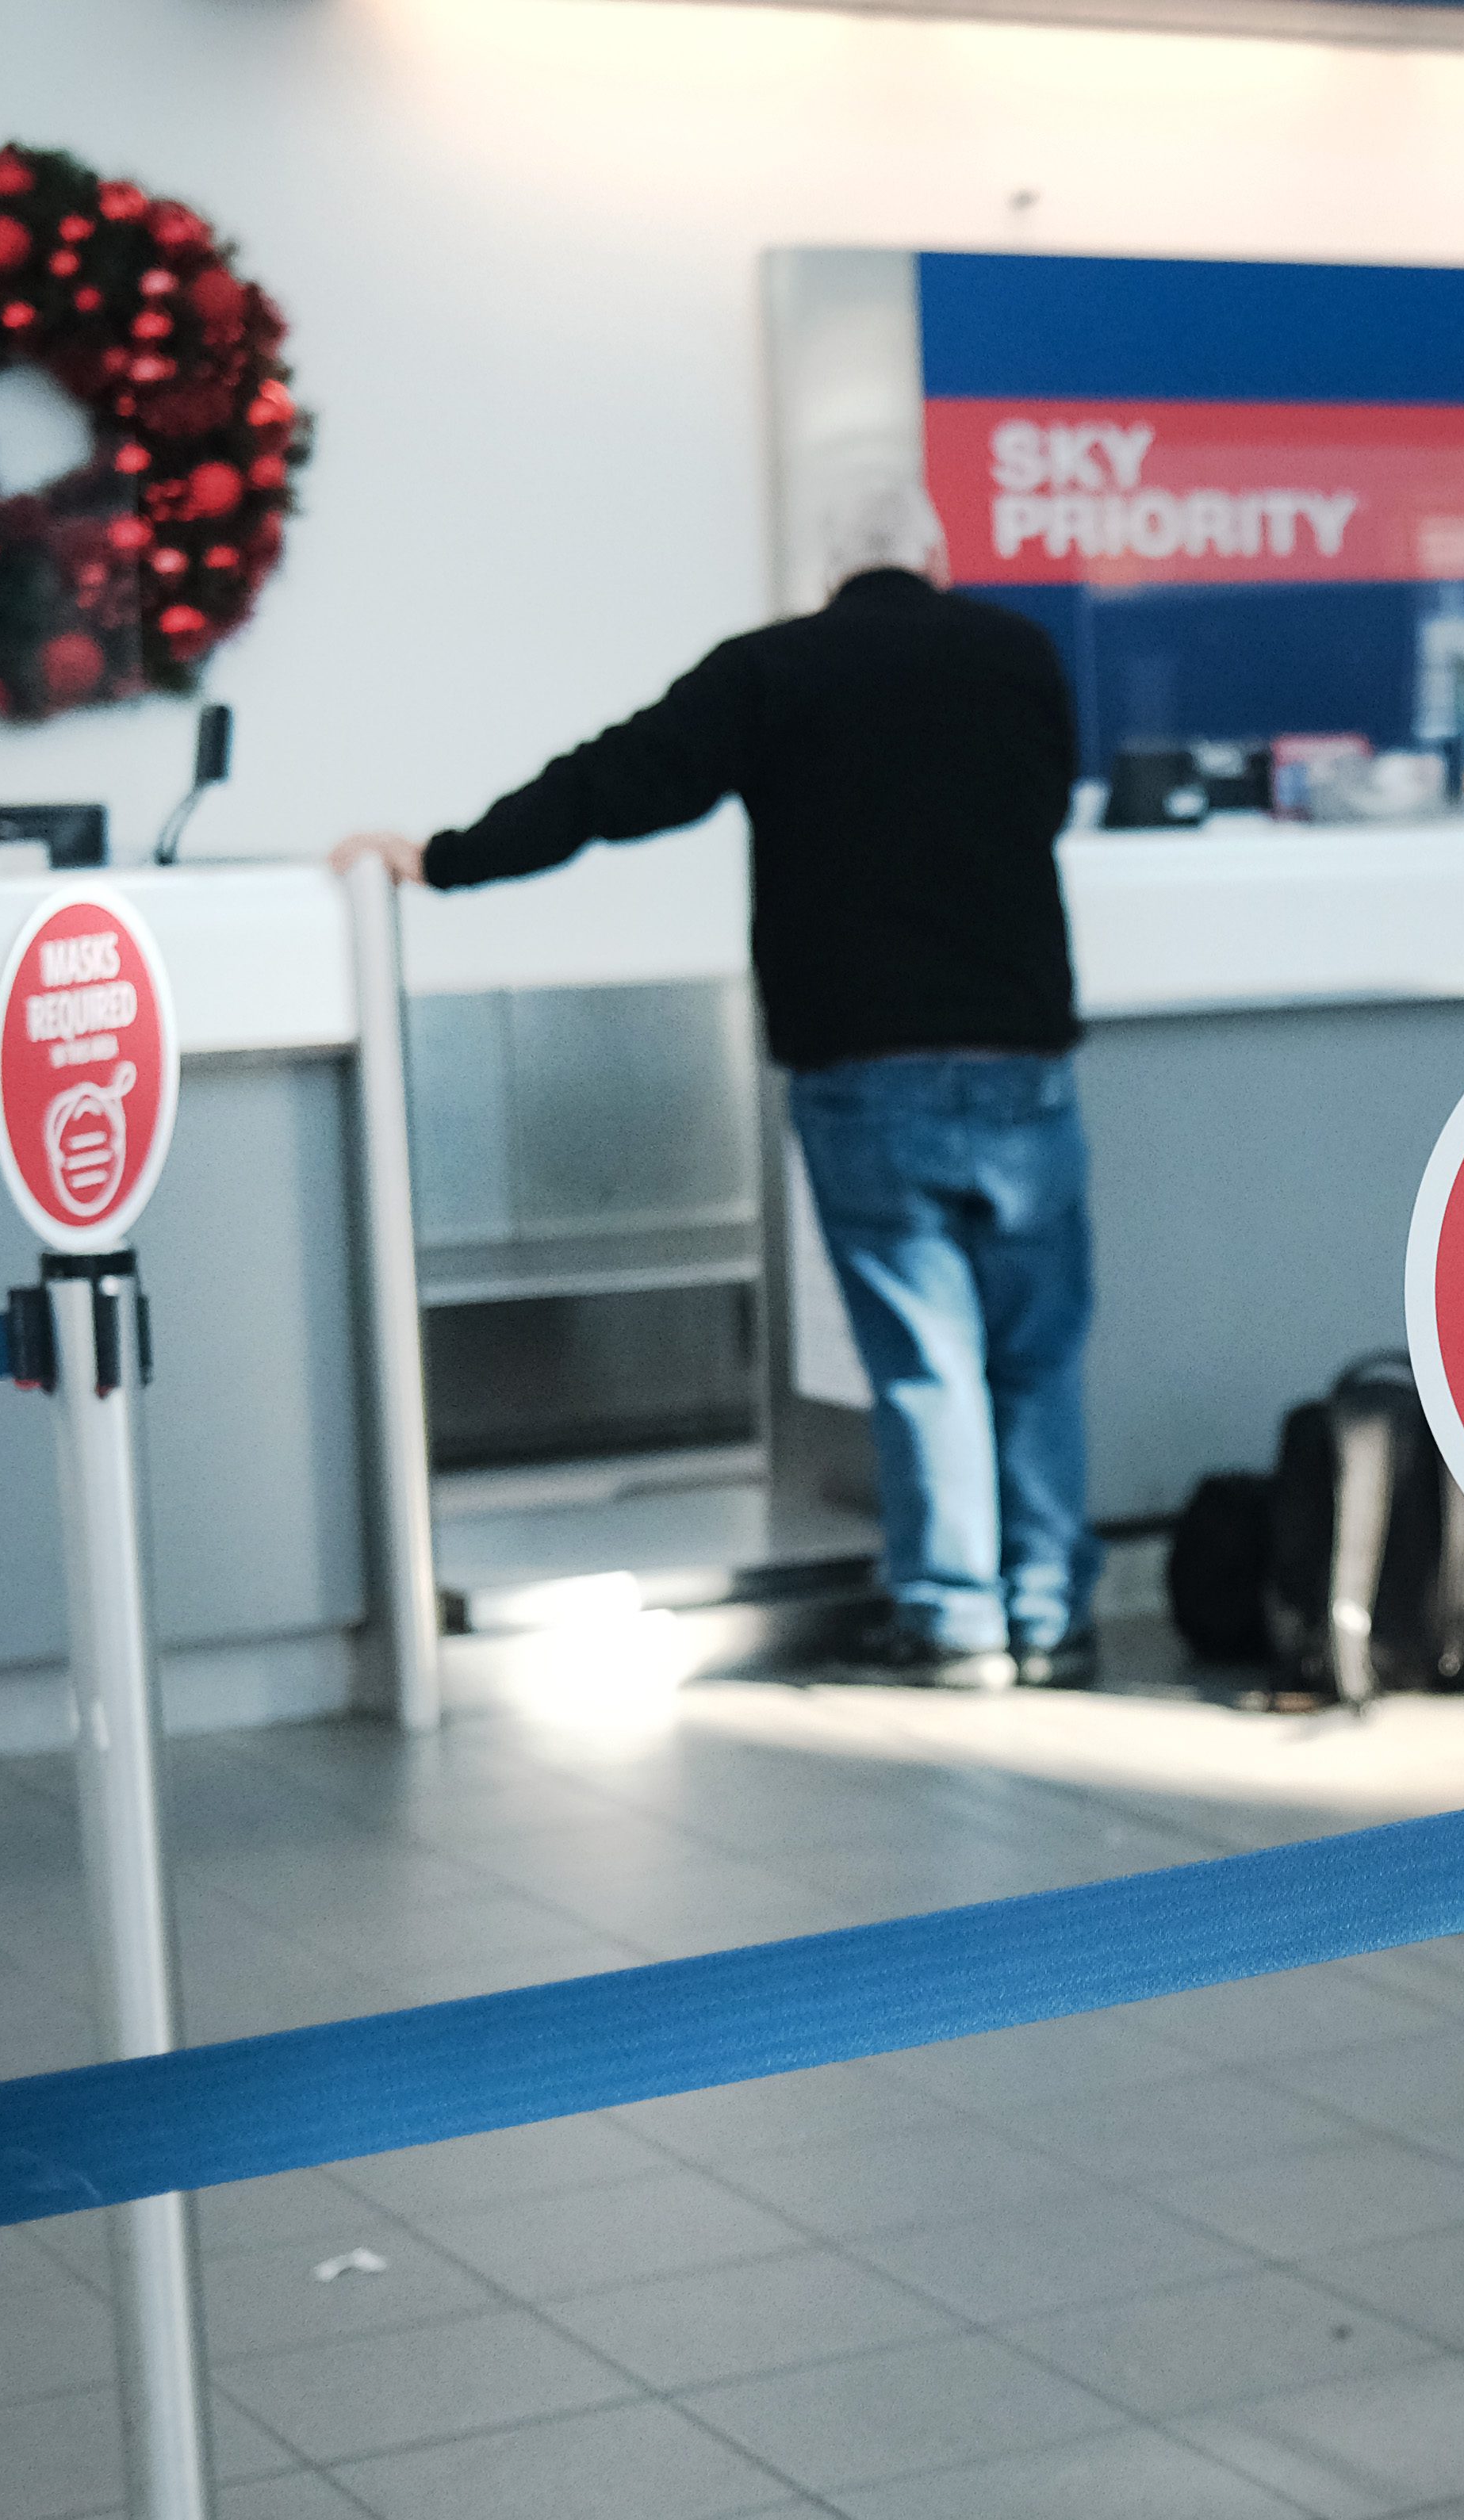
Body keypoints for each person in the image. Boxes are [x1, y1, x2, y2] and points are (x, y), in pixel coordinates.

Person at [336, 484, 1097, 1691]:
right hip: (1020, 1061)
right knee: (1036, 1351)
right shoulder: (1015, 653)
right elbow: (1048, 798)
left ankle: (958, 1624)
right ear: (937, 560)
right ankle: (1054, 1612)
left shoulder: (774, 670)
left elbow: (617, 783)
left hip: (861, 1067)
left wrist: (446, 858)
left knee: (923, 1358)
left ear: (827, 574)